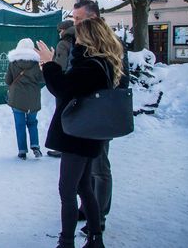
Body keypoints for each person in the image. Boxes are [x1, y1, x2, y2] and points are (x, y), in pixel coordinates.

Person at [36, 17, 125, 248]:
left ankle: (66, 242)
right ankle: (95, 238)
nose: (76, 39)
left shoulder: (91, 65)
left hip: (79, 135)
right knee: (84, 187)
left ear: (89, 37)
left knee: (67, 190)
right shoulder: (102, 63)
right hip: (89, 134)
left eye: (79, 35)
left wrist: (49, 63)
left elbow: (62, 88)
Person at [5, 38, 44, 160]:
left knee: (20, 124)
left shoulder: (13, 63)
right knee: (32, 123)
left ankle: (22, 151)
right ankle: (35, 146)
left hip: (17, 98)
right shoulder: (36, 63)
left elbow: (8, 80)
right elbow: (42, 79)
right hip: (33, 98)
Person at [47, 20, 75, 159]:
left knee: (62, 115)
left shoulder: (63, 43)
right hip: (77, 83)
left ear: (64, 30)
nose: (59, 32)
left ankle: (62, 146)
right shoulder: (81, 39)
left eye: (60, 30)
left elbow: (60, 65)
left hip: (65, 84)